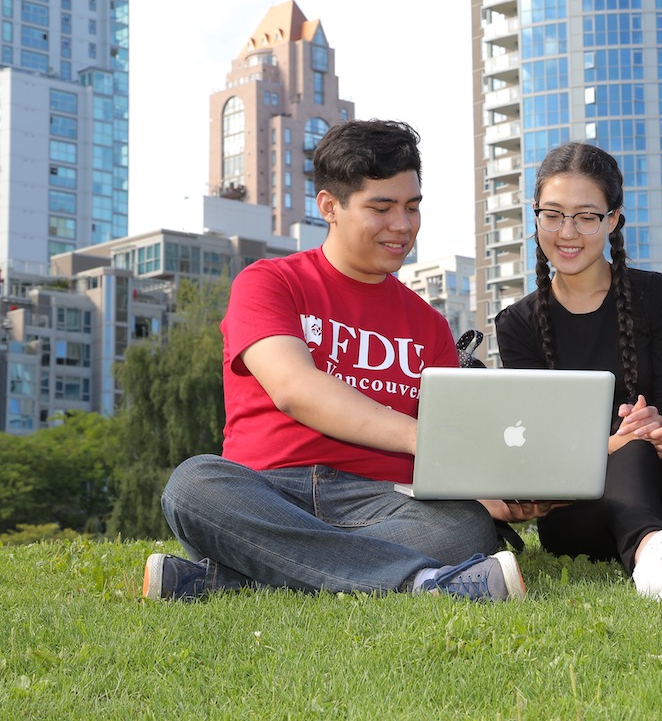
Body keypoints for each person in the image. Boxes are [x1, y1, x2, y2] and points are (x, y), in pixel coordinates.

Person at [143, 119, 525, 602]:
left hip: (379, 500)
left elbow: (444, 454)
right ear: (329, 206)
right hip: (266, 493)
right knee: (193, 486)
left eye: (412, 207)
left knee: (466, 526)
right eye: (381, 208)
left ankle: (235, 580)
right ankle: (419, 582)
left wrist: (501, 496)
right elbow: (295, 389)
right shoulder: (269, 282)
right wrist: (421, 437)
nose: (402, 226)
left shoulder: (428, 323)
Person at [494, 141, 662, 599]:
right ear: (535, 215)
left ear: (612, 220)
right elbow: (540, 448)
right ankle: (650, 556)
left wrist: (652, 428)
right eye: (552, 214)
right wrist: (619, 441)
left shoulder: (658, 295)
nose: (567, 231)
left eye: (586, 216)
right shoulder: (517, 323)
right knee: (629, 445)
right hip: (582, 512)